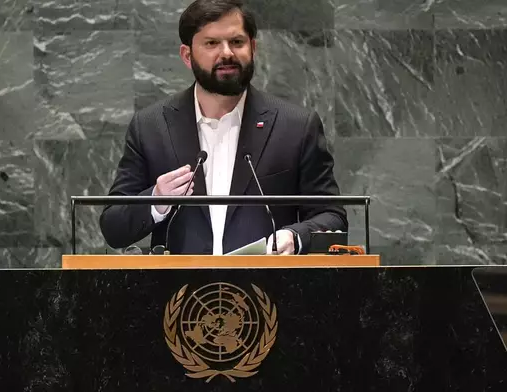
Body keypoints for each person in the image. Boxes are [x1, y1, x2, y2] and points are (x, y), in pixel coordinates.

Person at [100, 0, 347, 255]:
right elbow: (113, 227)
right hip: (179, 292)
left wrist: (295, 237)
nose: (227, 53)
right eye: (211, 43)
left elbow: (332, 216)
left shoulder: (295, 126)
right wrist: (156, 200)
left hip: (268, 288)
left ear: (252, 48)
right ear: (187, 55)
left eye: (237, 42)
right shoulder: (151, 127)